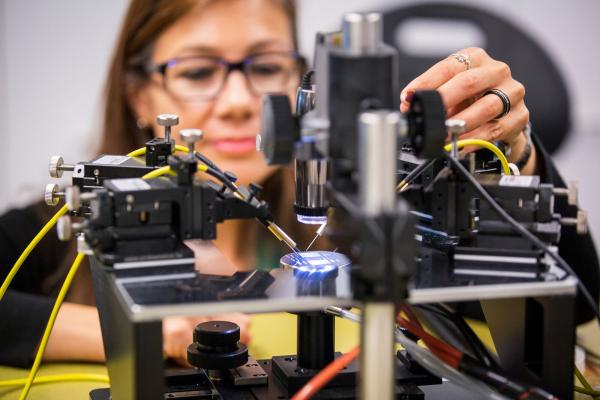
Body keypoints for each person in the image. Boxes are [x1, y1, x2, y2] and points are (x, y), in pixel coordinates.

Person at [0, 0, 598, 369]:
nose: (239, 102)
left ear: (301, 86)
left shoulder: (373, 217)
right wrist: (150, 331)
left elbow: (571, 317)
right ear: (140, 93)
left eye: (264, 67)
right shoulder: (56, 230)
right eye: (198, 70)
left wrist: (516, 161)